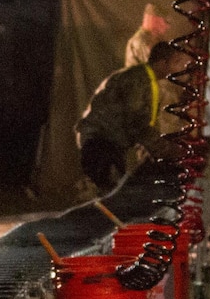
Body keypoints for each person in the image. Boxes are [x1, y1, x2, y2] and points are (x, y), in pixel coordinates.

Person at [77, 32, 188, 194]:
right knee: (106, 197)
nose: (181, 68)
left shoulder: (148, 81)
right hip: (99, 142)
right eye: (177, 62)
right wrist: (169, 150)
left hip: (109, 142)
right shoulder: (138, 80)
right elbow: (138, 123)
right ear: (163, 63)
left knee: (114, 194)